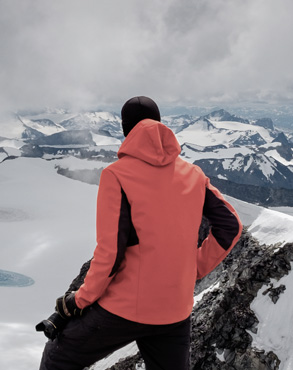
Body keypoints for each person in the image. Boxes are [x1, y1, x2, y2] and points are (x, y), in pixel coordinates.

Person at [39, 96, 242, 370]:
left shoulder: (117, 175)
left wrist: (80, 299)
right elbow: (231, 225)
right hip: (175, 311)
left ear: (125, 130)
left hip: (124, 309)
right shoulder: (193, 174)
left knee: (58, 356)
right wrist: (192, 269)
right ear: (159, 124)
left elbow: (110, 252)